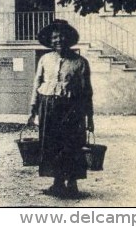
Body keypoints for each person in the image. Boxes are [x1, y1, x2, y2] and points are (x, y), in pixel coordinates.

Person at [27, 19, 94, 199]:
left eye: (62, 36)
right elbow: (37, 84)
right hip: (47, 106)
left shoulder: (80, 62)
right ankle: (57, 182)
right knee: (51, 143)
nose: (59, 40)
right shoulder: (45, 59)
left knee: (71, 144)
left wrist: (90, 117)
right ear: (50, 40)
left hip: (72, 109)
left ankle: (72, 184)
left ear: (69, 38)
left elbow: (87, 91)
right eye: (55, 37)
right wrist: (33, 109)